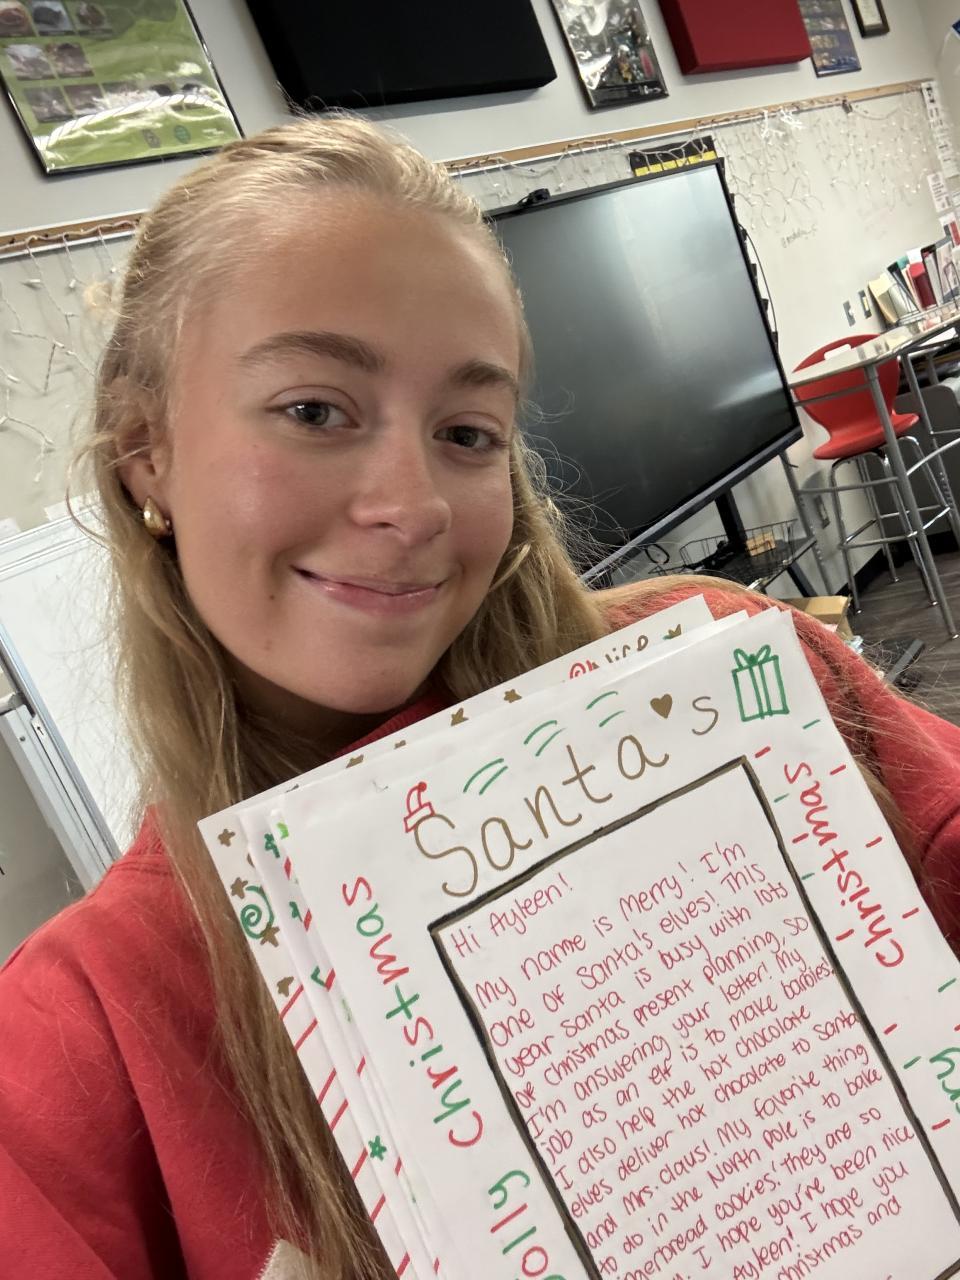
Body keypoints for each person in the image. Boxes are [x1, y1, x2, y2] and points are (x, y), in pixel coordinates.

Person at [1, 116, 959, 1280]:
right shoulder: (75, 1033)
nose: (412, 505)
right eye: (314, 410)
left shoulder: (730, 674)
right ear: (144, 447)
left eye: (467, 432)